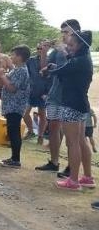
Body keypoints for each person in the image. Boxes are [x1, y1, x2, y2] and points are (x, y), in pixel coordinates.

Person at [47, 29, 94, 191]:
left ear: (81, 44)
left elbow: (59, 71)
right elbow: (70, 63)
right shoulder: (83, 59)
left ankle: (73, 180)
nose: (69, 46)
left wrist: (48, 69)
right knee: (81, 141)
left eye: (72, 44)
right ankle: (87, 177)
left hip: (71, 104)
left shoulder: (77, 61)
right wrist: (64, 54)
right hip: (81, 104)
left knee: (72, 143)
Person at [36, 19, 81, 173]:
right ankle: (54, 162)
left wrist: (64, 51)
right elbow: (44, 69)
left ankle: (71, 167)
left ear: (76, 33)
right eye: (62, 32)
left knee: (71, 135)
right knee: (53, 128)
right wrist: (43, 52)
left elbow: (76, 66)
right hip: (54, 95)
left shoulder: (79, 48)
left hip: (69, 97)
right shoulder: (57, 50)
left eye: (66, 32)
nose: (63, 35)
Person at [0, 45, 31, 168]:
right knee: (12, 131)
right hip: (11, 106)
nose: (11, 57)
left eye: (13, 55)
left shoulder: (21, 70)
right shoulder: (17, 69)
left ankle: (16, 159)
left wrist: (1, 76)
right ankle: (13, 158)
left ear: (20, 57)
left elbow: (12, 88)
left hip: (15, 106)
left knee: (14, 131)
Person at [26, 40, 51, 145]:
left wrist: (48, 92)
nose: (40, 50)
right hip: (31, 90)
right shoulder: (30, 60)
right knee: (24, 112)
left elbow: (52, 78)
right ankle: (31, 131)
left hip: (44, 91)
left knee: (42, 115)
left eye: (42, 48)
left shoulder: (51, 61)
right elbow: (26, 74)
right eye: (38, 48)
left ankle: (40, 136)